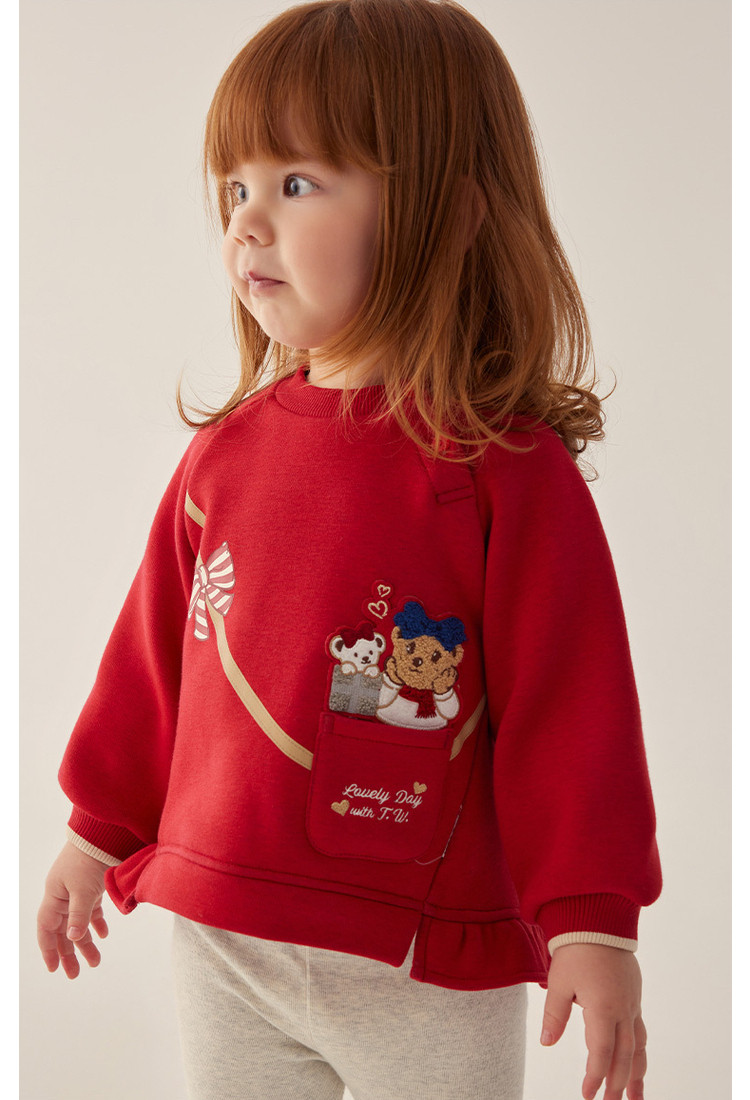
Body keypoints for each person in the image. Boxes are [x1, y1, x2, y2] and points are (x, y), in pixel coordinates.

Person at [36, 2, 661, 1098]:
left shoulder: (503, 473)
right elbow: (157, 657)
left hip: (423, 957)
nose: (246, 223)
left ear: (447, 212)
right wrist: (98, 830)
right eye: (234, 188)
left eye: (296, 183)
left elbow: (574, 706)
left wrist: (591, 921)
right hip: (224, 936)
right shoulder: (224, 457)